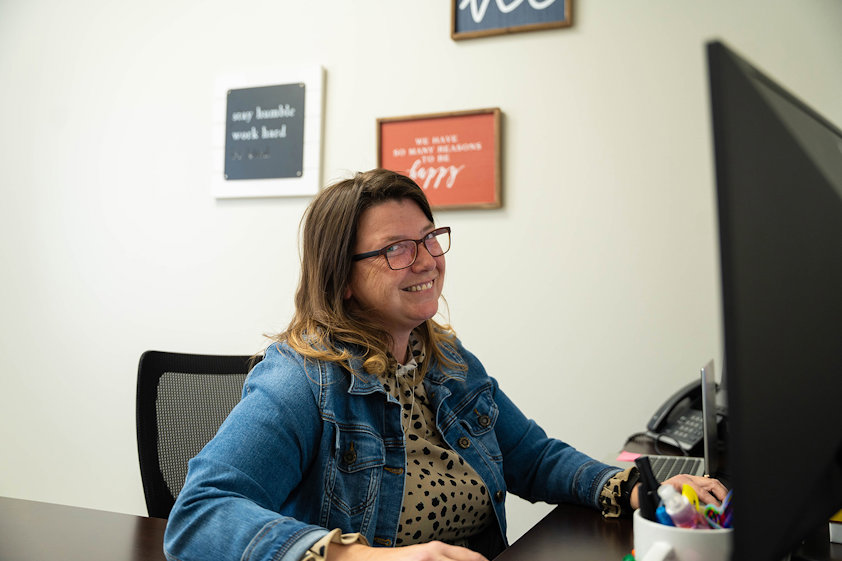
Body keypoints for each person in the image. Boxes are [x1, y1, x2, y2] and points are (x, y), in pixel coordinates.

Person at [163, 169, 727, 561]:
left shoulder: (447, 359)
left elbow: (531, 456)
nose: (427, 259)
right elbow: (200, 513)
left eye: (430, 238)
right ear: (343, 277)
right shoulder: (301, 379)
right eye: (396, 249)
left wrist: (637, 489)